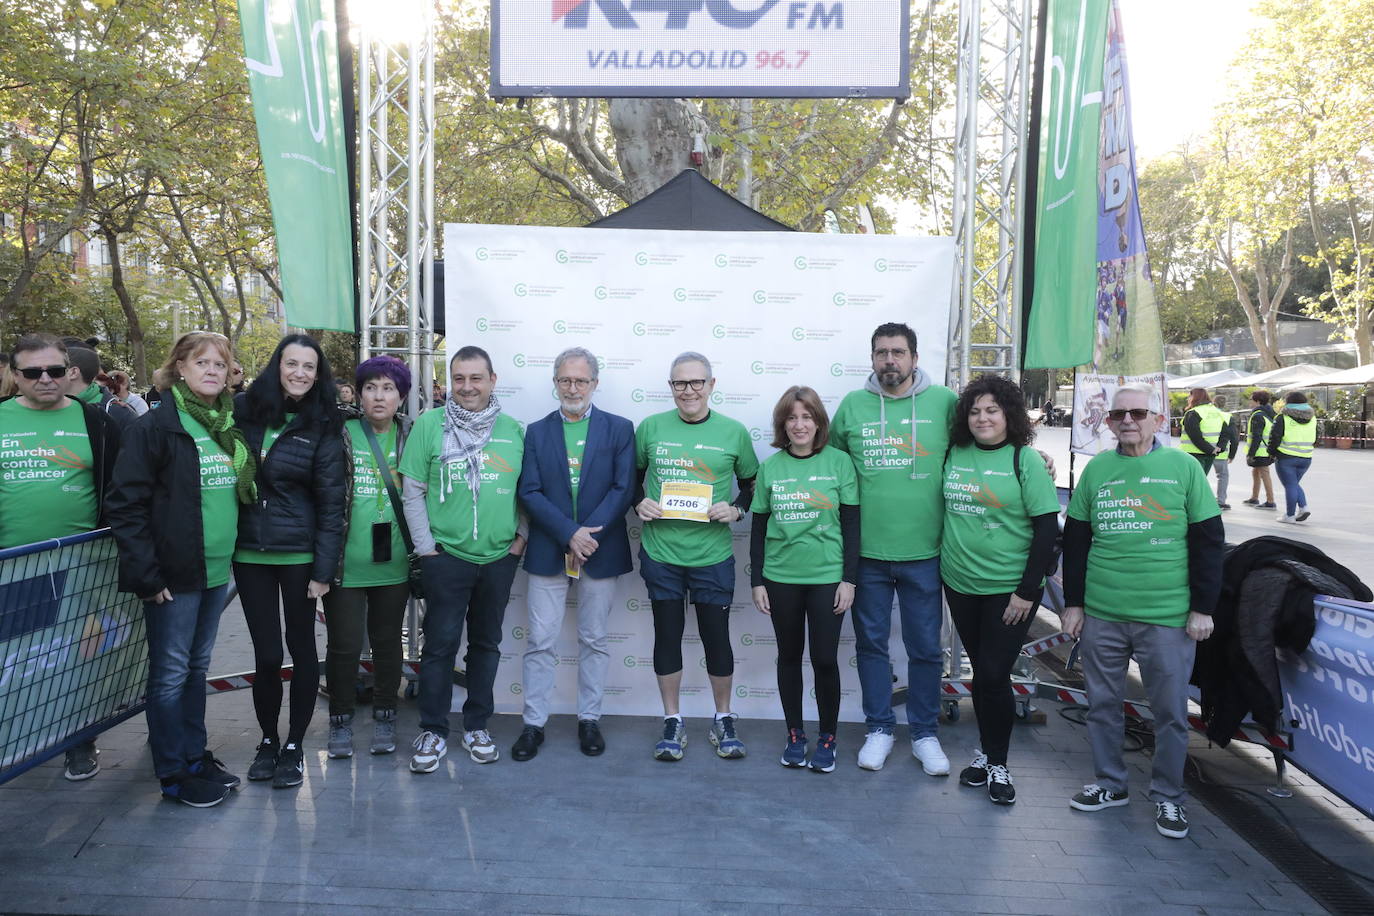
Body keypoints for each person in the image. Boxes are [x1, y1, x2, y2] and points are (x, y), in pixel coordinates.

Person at [1061, 383, 1223, 839]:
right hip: (1103, 613)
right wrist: (1074, 603)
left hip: (1168, 616)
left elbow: (1209, 541)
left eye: (1137, 413)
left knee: (1170, 712)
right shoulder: (1097, 470)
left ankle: (1168, 797)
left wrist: (1203, 608)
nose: (1127, 421)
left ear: (1158, 420)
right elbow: (1075, 540)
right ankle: (1111, 784)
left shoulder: (1183, 467)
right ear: (1107, 422)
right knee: (1102, 706)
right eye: (1118, 415)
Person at [107, 331, 255, 807]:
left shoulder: (225, 424)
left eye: (220, 363)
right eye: (201, 362)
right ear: (180, 369)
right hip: (173, 576)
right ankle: (173, 773)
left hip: (215, 573)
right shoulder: (157, 427)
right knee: (170, 674)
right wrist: (147, 577)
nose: (211, 370)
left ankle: (195, 755)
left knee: (195, 669)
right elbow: (126, 506)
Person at [830, 322, 957, 775]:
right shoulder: (852, 407)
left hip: (926, 552)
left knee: (925, 647)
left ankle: (924, 734)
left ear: (915, 358)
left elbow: (976, 451)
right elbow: (834, 468)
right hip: (867, 555)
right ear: (872, 359)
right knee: (871, 645)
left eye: (898, 352)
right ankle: (879, 729)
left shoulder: (944, 403)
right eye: (882, 352)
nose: (890, 360)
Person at [1, 333, 121, 782]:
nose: (45, 379)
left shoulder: (97, 422)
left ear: (70, 370)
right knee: (19, 656)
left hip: (83, 566)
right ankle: (18, 737)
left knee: (77, 658)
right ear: (16, 376)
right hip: (13, 567)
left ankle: (78, 740)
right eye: (33, 372)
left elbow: (123, 486)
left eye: (54, 370)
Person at [401, 346, 525, 772]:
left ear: (493, 380)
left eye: (476, 378)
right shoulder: (429, 425)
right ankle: (433, 731)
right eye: (459, 378)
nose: (467, 387)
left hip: (497, 560)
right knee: (438, 648)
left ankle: (476, 726)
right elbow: (413, 490)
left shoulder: (513, 430)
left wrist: (518, 542)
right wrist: (426, 550)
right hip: (446, 558)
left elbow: (528, 493)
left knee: (486, 646)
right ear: (449, 381)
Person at [940, 375, 1060, 804]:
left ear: (1009, 413)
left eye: (992, 410)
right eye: (974, 411)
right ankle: (986, 752)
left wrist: (1027, 591)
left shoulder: (1025, 460)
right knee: (984, 674)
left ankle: (998, 763)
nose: (983, 418)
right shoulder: (952, 453)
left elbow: (1048, 528)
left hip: (1011, 592)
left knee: (992, 674)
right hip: (960, 584)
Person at [233, 334, 345, 789]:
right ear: (277, 365)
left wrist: (323, 570)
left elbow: (332, 501)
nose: (299, 372)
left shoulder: (325, 423)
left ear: (319, 375)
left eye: (309, 366)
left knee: (302, 651)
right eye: (291, 363)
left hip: (299, 555)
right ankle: (266, 741)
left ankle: (295, 745)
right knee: (266, 655)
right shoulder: (243, 410)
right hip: (249, 553)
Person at [635, 351, 758, 762]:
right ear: (670, 387)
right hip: (662, 552)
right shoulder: (650, 428)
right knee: (667, 637)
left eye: (696, 383)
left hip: (712, 555)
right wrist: (639, 503)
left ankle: (723, 718)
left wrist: (737, 509)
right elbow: (631, 478)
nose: (688, 391)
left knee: (716, 639)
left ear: (711, 385)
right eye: (679, 383)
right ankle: (672, 720)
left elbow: (752, 483)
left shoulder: (734, 432)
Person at [513, 346, 635, 760]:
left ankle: (589, 720)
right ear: (555, 383)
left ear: (595, 384)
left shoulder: (620, 429)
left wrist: (587, 537)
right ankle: (533, 725)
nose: (572, 387)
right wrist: (570, 534)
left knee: (594, 639)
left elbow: (624, 489)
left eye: (581, 380)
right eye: (565, 379)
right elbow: (528, 490)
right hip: (551, 547)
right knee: (541, 640)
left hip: (600, 548)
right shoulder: (536, 430)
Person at [749, 386, 858, 773]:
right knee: (790, 657)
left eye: (807, 417)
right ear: (783, 424)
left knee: (825, 658)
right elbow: (759, 528)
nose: (799, 425)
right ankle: (795, 734)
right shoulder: (771, 467)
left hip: (828, 576)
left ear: (818, 422)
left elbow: (851, 523)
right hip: (781, 578)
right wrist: (757, 581)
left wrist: (849, 579)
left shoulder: (840, 463)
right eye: (792, 418)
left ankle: (828, 737)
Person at [322, 357, 414, 759]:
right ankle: (340, 720)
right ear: (359, 393)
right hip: (347, 560)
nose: (380, 396)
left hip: (394, 562)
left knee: (388, 642)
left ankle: (385, 713)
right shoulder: (339, 432)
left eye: (389, 388)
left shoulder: (412, 434)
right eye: (371, 387)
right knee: (342, 646)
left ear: (402, 395)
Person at [63, 341, 136, 431]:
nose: (44, 377)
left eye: (55, 370)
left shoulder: (121, 414)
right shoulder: (45, 406)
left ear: (73, 372)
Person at [1269, 390, 1316, 524]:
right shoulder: (1312, 418)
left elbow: (1275, 437)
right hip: (1306, 457)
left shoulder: (1282, 417)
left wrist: (1271, 453)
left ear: (1287, 403)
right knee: (1293, 484)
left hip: (1286, 456)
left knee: (1290, 485)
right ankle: (1303, 507)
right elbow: (1316, 436)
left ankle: (1290, 515)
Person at [1243, 389, 1277, 509]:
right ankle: (1254, 497)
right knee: (1256, 472)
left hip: (1261, 451)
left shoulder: (1258, 416)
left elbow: (1257, 436)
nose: (1249, 402)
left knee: (1264, 474)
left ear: (1257, 401)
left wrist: (1250, 454)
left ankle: (1270, 501)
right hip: (1266, 450)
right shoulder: (1270, 413)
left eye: (1251, 400)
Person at [1179, 387, 1225, 474]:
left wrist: (1211, 449)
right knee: (1201, 481)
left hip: (1193, 454)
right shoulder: (1217, 411)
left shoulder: (1193, 413)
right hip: (1211, 453)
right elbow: (1226, 431)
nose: (1188, 399)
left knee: (1192, 483)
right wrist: (1219, 448)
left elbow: (1195, 436)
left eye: (1189, 396)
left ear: (1194, 397)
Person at [1210, 395, 1238, 509]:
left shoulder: (1206, 415)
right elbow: (1234, 439)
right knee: (1222, 476)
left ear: (1213, 402)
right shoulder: (1227, 417)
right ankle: (1221, 501)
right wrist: (1232, 454)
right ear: (1225, 404)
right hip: (1221, 453)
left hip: (1203, 450)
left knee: (1200, 476)